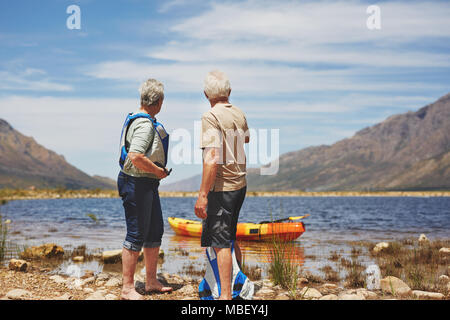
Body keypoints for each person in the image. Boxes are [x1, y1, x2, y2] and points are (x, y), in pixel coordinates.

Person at [195, 70, 250, 300]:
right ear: (229, 92)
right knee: (229, 237)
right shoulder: (238, 112)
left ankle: (226, 297)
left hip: (223, 187)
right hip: (240, 183)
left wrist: (202, 195)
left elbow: (212, 158)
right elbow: (246, 138)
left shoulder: (210, 116)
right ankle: (238, 282)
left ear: (206, 94)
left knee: (220, 243)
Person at [117, 78, 173, 300]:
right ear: (158, 101)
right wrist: (159, 172)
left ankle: (151, 281)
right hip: (135, 183)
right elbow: (136, 156)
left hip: (146, 184)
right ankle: (127, 289)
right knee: (136, 234)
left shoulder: (143, 120)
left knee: (154, 231)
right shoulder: (144, 124)